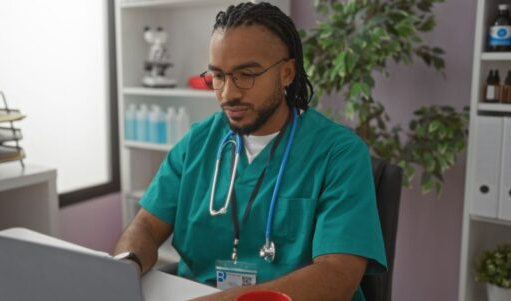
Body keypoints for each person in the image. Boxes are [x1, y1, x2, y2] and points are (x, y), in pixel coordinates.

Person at [113, 2, 387, 300]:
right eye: (218, 76)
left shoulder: (339, 154)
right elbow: (146, 226)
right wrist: (125, 267)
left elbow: (338, 274)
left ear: (287, 72)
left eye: (246, 75)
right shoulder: (197, 143)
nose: (228, 94)